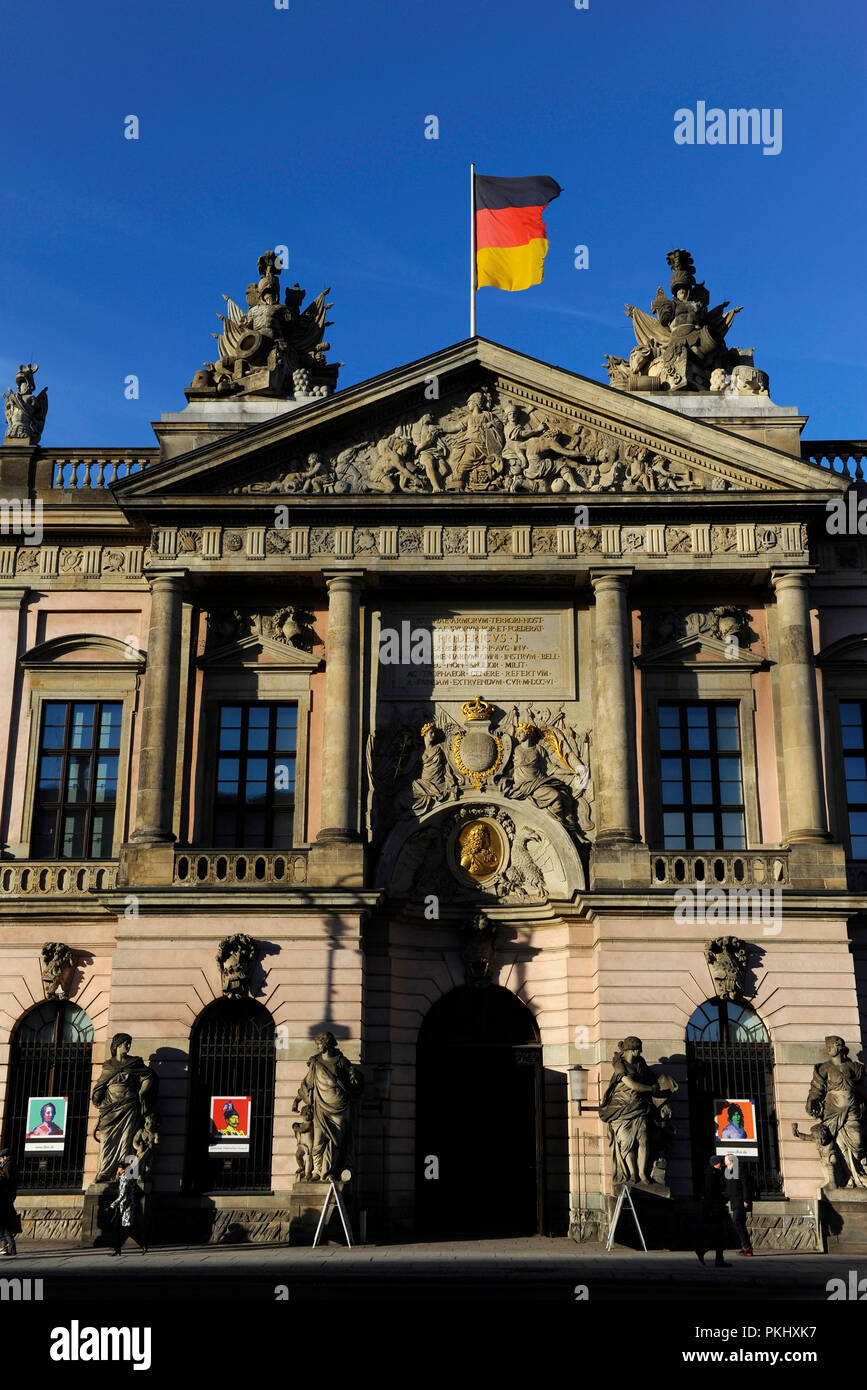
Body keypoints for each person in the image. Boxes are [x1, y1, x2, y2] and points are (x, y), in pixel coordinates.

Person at [695, 1155, 731, 1267]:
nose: (722, 1164)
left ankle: (717, 1258)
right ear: (716, 1163)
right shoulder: (712, 1175)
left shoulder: (712, 1173)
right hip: (714, 1209)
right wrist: (722, 1200)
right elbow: (711, 1193)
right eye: (720, 1162)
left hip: (715, 1208)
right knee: (719, 1234)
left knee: (719, 1234)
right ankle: (704, 1250)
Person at [107, 1162, 147, 1255]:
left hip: (127, 1207)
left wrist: (111, 1206)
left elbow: (122, 1195)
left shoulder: (126, 1178)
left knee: (128, 1229)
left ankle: (143, 1244)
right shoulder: (124, 1177)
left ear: (124, 1169)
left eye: (119, 1167)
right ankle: (117, 1250)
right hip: (122, 1207)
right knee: (117, 1227)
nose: (118, 1169)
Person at [723, 1152, 754, 1255]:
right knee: (739, 1223)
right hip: (734, 1201)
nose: (724, 1162)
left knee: (737, 1222)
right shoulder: (728, 1172)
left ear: (731, 1161)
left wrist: (746, 1200)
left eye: (726, 1160)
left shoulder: (740, 1170)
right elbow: (729, 1188)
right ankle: (746, 1246)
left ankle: (746, 1246)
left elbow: (745, 1186)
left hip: (741, 1201)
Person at [0, 1149, 20, 1256]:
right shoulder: (10, 1165)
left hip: (5, 1198)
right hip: (6, 1198)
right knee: (4, 1224)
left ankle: (9, 1247)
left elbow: (6, 1182)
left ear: (4, 1157)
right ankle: (6, 1246)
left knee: (4, 1225)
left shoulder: (8, 1166)